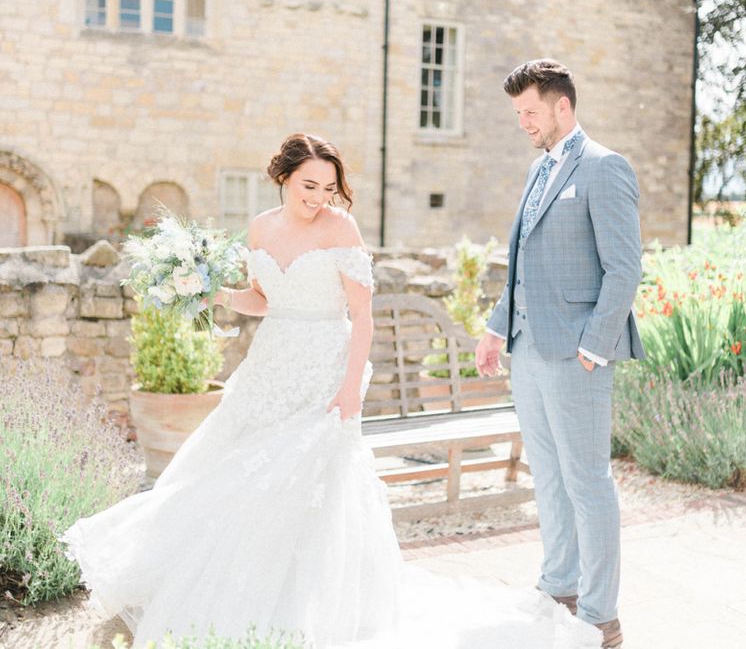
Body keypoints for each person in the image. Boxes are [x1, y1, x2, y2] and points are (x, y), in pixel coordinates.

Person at [63, 133, 602, 648]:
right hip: (271, 364)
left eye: (328, 188)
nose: (319, 198)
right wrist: (218, 295)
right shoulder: (259, 228)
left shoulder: (341, 230)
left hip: (326, 367)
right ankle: (241, 597)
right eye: (308, 187)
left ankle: (304, 611)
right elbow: (263, 298)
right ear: (283, 177)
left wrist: (350, 390)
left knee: (306, 482)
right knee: (233, 473)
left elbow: (362, 319)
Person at [475, 60, 645, 649]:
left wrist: (593, 349)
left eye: (529, 112)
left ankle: (601, 615)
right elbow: (522, 264)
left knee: (587, 482)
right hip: (527, 351)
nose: (522, 122)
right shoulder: (536, 169)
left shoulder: (604, 168)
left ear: (561, 107)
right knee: (547, 477)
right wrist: (498, 330)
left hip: (577, 357)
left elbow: (624, 269)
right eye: (518, 113)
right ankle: (558, 587)